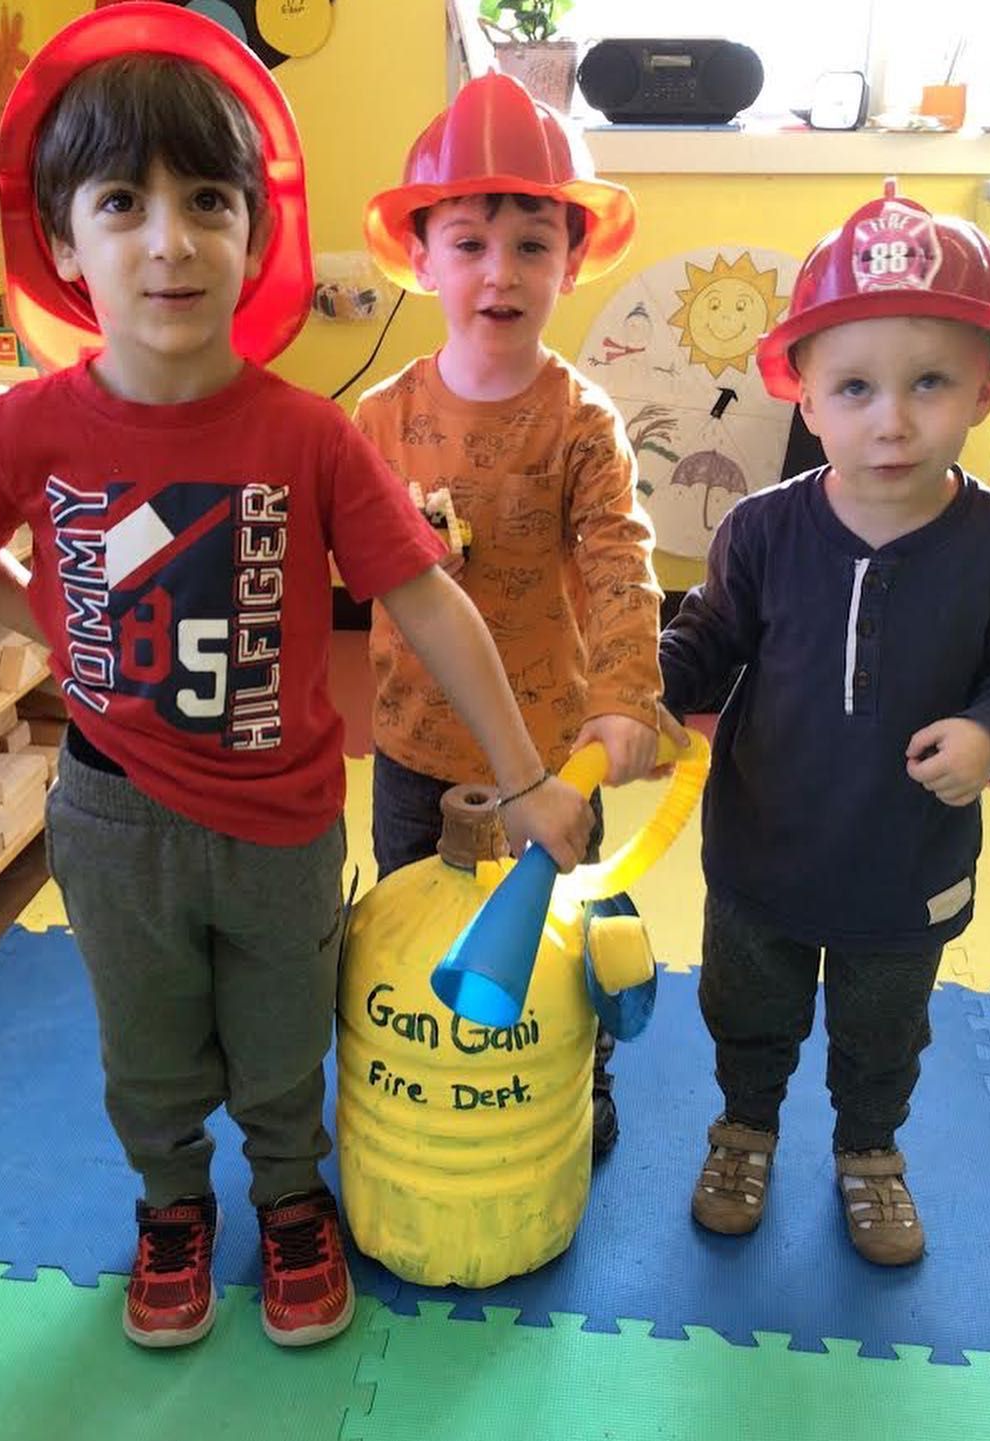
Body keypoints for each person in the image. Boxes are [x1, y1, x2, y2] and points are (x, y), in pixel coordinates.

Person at [0, 8, 595, 1351]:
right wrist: (54, 622)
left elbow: (428, 596)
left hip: (282, 824)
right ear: (64, 242)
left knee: (284, 1041)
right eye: (122, 202)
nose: (167, 239)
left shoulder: (308, 435)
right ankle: (175, 1203)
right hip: (111, 821)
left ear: (254, 230)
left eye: (206, 200)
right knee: (149, 1046)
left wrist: (524, 779)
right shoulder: (26, 425)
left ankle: (289, 1196)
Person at [658, 184, 990, 1265]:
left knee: (882, 1025)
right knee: (744, 1006)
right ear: (802, 396)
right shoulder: (760, 529)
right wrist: (640, 695)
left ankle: (868, 1151)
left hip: (907, 862)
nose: (889, 417)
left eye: (927, 383)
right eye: (853, 386)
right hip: (761, 848)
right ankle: (742, 1125)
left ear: (986, 390)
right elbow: (705, 641)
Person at [357, 73, 666, 1159]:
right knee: (407, 930)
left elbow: (622, 563)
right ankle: (427, 1076)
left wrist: (626, 699)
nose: (501, 271)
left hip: (554, 753)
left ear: (571, 263)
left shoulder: (584, 422)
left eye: (532, 243)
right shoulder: (378, 419)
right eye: (469, 241)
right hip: (412, 745)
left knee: (561, 937)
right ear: (421, 257)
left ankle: (582, 1072)